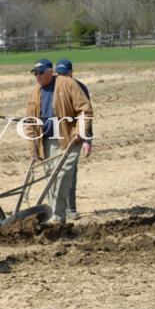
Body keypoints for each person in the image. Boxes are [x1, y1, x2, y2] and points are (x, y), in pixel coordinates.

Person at [25, 59, 93, 224]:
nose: (37, 76)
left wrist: (80, 132)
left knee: (62, 175)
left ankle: (57, 216)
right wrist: (32, 149)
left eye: (40, 72)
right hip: (46, 140)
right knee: (50, 178)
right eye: (35, 73)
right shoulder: (35, 93)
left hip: (68, 138)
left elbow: (85, 109)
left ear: (50, 71)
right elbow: (30, 123)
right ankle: (55, 215)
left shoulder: (67, 84)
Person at [56, 59, 92, 220]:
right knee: (54, 173)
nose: (62, 77)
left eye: (65, 74)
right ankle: (56, 208)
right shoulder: (52, 88)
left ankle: (70, 208)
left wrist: (86, 140)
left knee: (70, 173)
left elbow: (85, 115)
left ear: (71, 73)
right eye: (59, 74)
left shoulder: (80, 88)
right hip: (54, 136)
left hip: (73, 136)